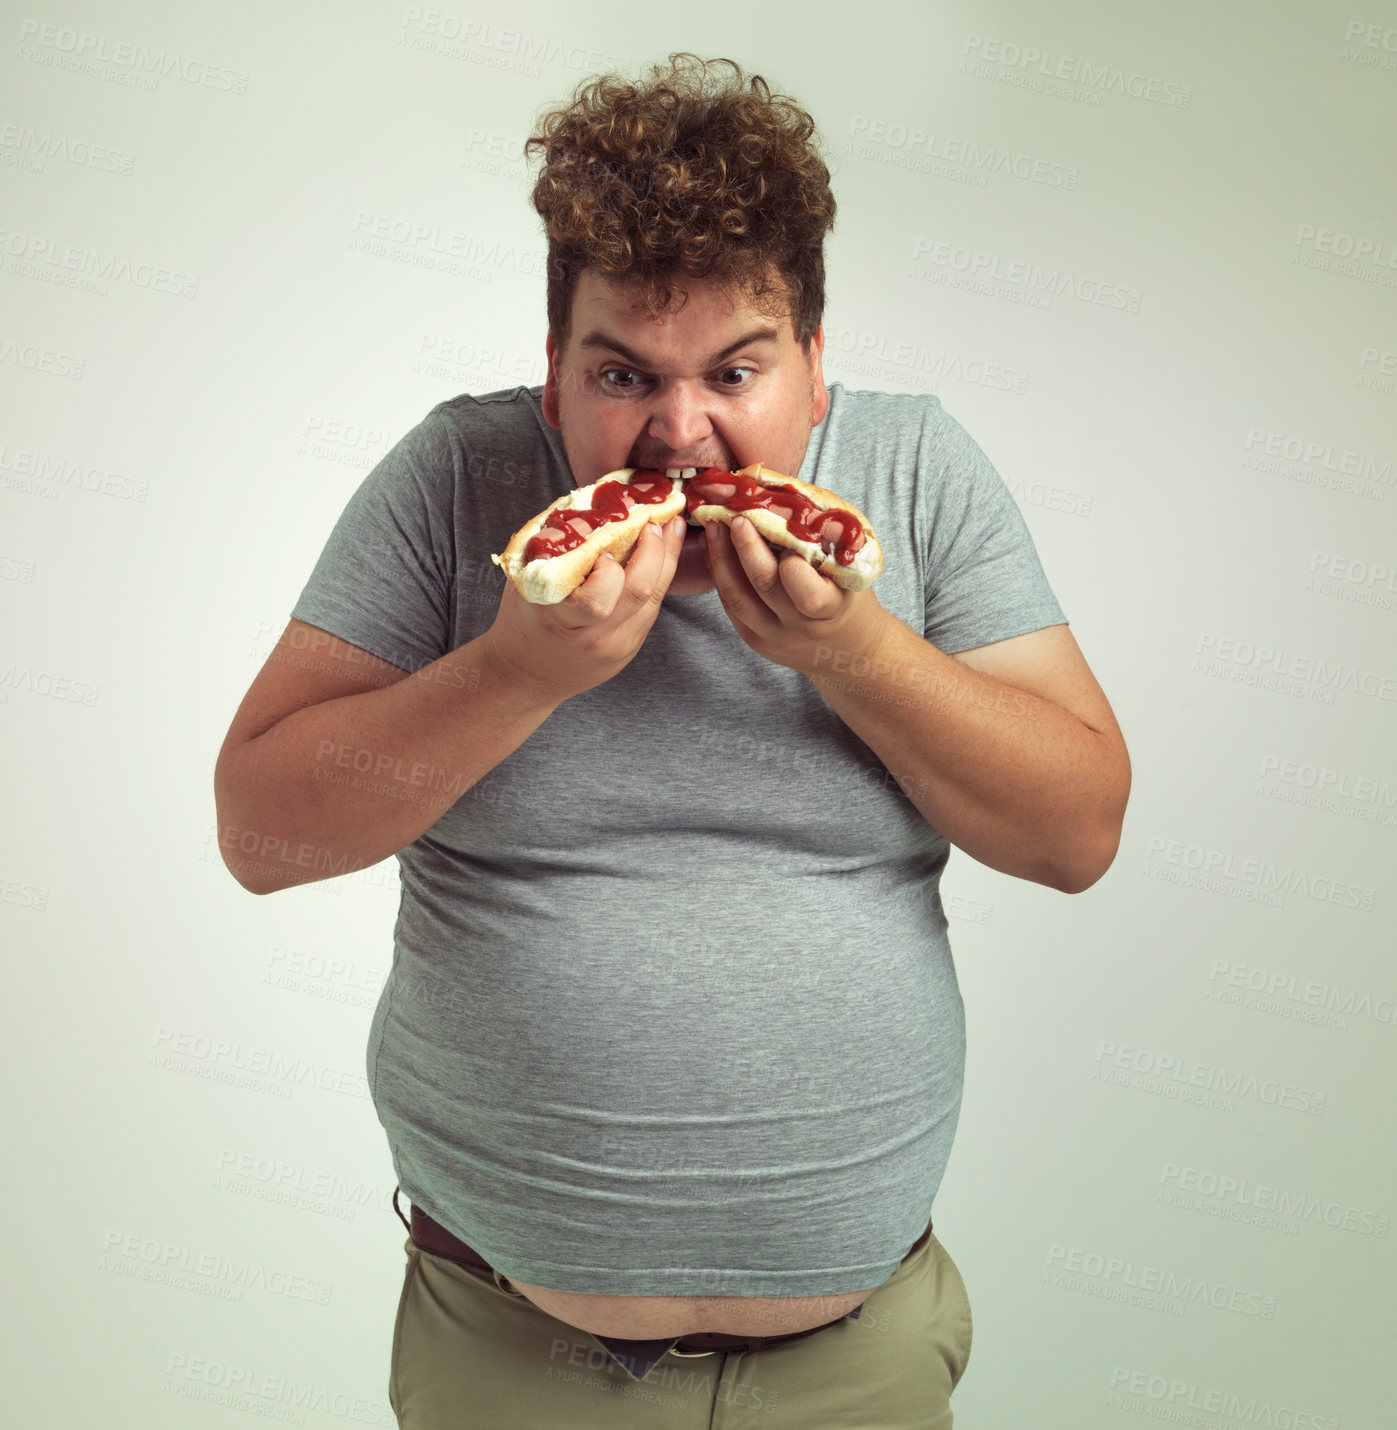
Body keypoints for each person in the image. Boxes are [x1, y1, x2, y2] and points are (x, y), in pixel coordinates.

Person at [214, 52, 1130, 1429]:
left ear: (818, 370)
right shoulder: (455, 474)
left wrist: (856, 650)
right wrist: (518, 672)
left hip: (859, 1350)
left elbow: (1075, 834)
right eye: (621, 374)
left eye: (736, 372)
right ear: (552, 375)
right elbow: (261, 835)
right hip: (512, 1347)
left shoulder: (923, 471)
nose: (679, 434)